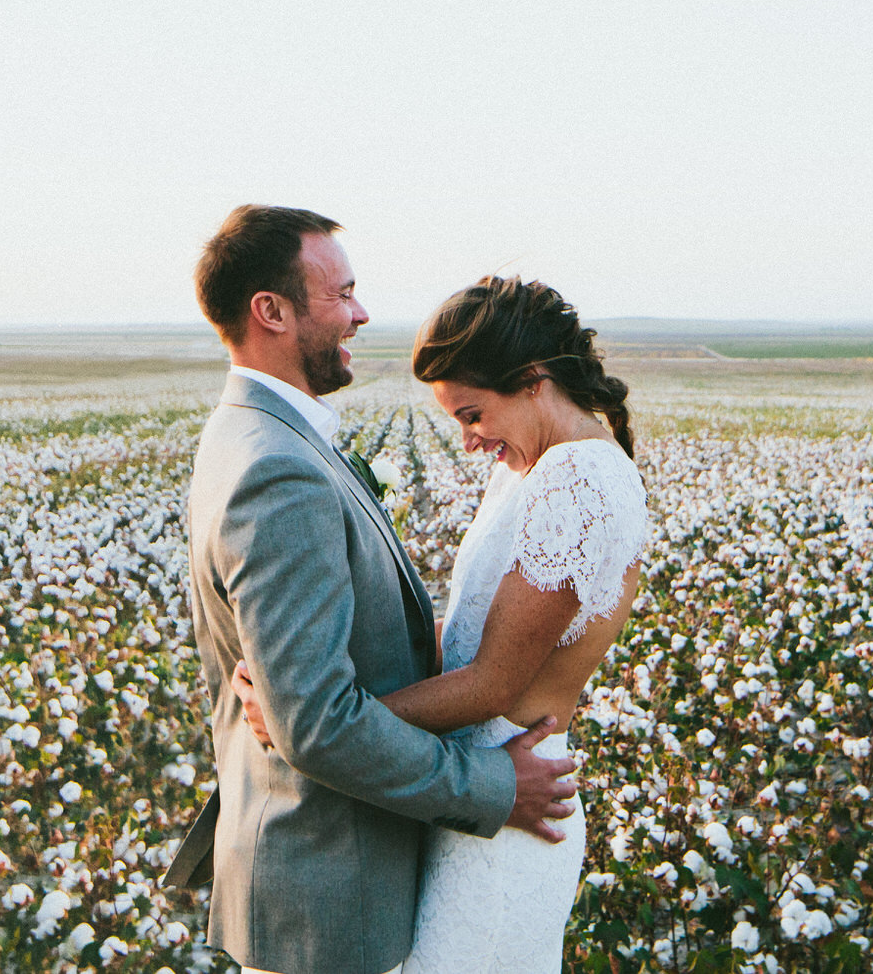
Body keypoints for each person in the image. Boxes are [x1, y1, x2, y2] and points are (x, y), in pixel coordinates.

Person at [162, 207, 581, 974]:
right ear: (272, 311)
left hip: (326, 882)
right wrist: (491, 785)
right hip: (329, 903)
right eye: (342, 293)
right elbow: (317, 723)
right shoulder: (276, 468)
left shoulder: (250, 434)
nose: (360, 312)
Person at [234, 274, 652, 973]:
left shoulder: (577, 481)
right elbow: (463, 633)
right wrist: (305, 678)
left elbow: (491, 684)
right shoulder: (535, 467)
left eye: (472, 413)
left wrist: (322, 723)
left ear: (531, 378)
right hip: (476, 790)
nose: (466, 441)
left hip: (509, 807)